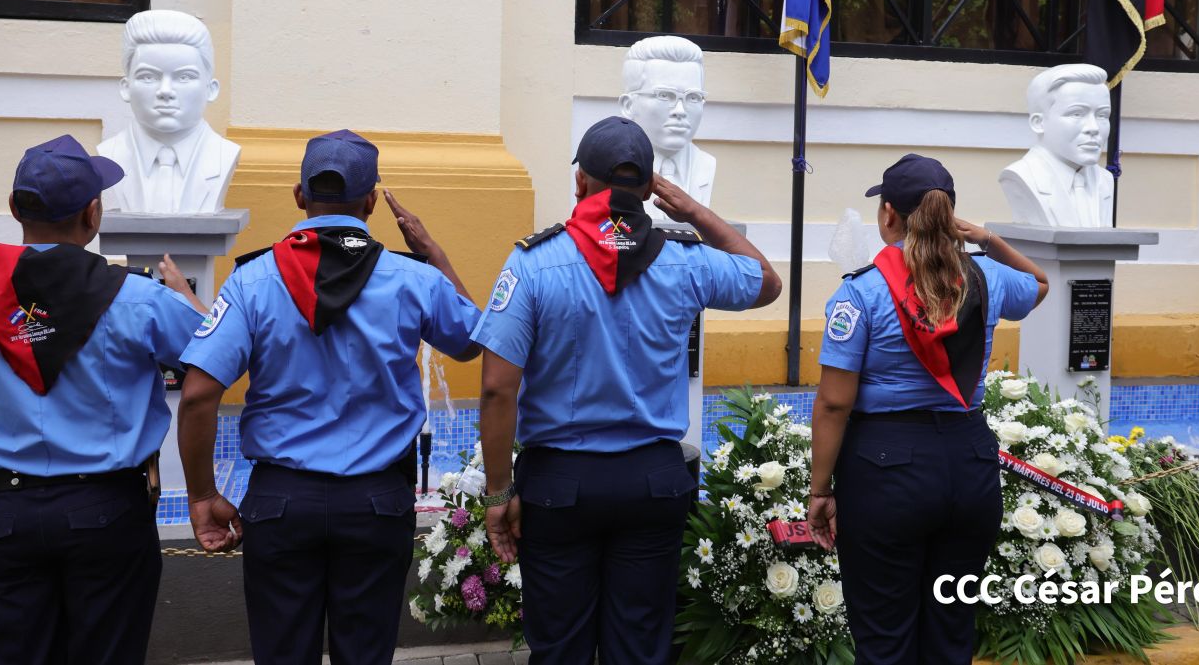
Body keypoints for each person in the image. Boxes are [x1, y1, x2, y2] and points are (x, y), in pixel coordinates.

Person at [475, 115, 782, 665]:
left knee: (560, 648)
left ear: (579, 183)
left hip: (560, 485)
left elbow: (498, 389)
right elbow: (765, 280)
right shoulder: (684, 260)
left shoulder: (533, 263)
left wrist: (500, 494)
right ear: (649, 189)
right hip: (651, 484)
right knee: (640, 649)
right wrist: (690, 210)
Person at [176, 129, 482, 665]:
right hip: (375, 504)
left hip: (281, 503)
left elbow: (200, 395)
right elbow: (472, 344)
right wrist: (434, 253)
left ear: (299, 196)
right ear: (370, 202)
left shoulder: (252, 279)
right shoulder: (414, 279)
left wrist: (201, 497)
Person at [0, 134, 209, 665]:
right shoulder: (141, 299)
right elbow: (210, 369)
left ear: (14, 209)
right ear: (92, 215)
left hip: (8, 514)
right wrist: (192, 307)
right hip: (109, 514)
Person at [806, 153, 1050, 665]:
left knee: (885, 637)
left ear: (888, 215)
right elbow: (1041, 284)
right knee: (951, 633)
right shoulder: (988, 279)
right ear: (950, 216)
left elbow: (833, 403)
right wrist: (984, 238)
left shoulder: (862, 293)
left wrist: (820, 489)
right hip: (970, 468)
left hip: (886, 472)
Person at [98, 9, 242, 214]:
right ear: (126, 87)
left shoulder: (223, 155)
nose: (165, 91)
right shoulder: (111, 154)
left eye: (184, 77)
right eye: (148, 77)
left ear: (211, 89)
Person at [998, 63, 1114, 228]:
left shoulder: (1105, 181)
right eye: (1077, 113)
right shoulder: (1022, 176)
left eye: (1102, 115)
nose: (1093, 128)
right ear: (1039, 123)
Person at [617, 35, 716, 215]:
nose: (680, 110)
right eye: (664, 95)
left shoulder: (706, 166)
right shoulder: (612, 170)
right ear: (628, 105)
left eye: (692, 97)